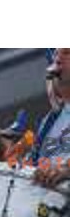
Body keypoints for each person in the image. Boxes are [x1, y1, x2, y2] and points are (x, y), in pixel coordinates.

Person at [32, 48, 70, 188]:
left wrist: (66, 168)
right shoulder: (49, 121)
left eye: (67, 53)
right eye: (55, 54)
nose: (58, 59)